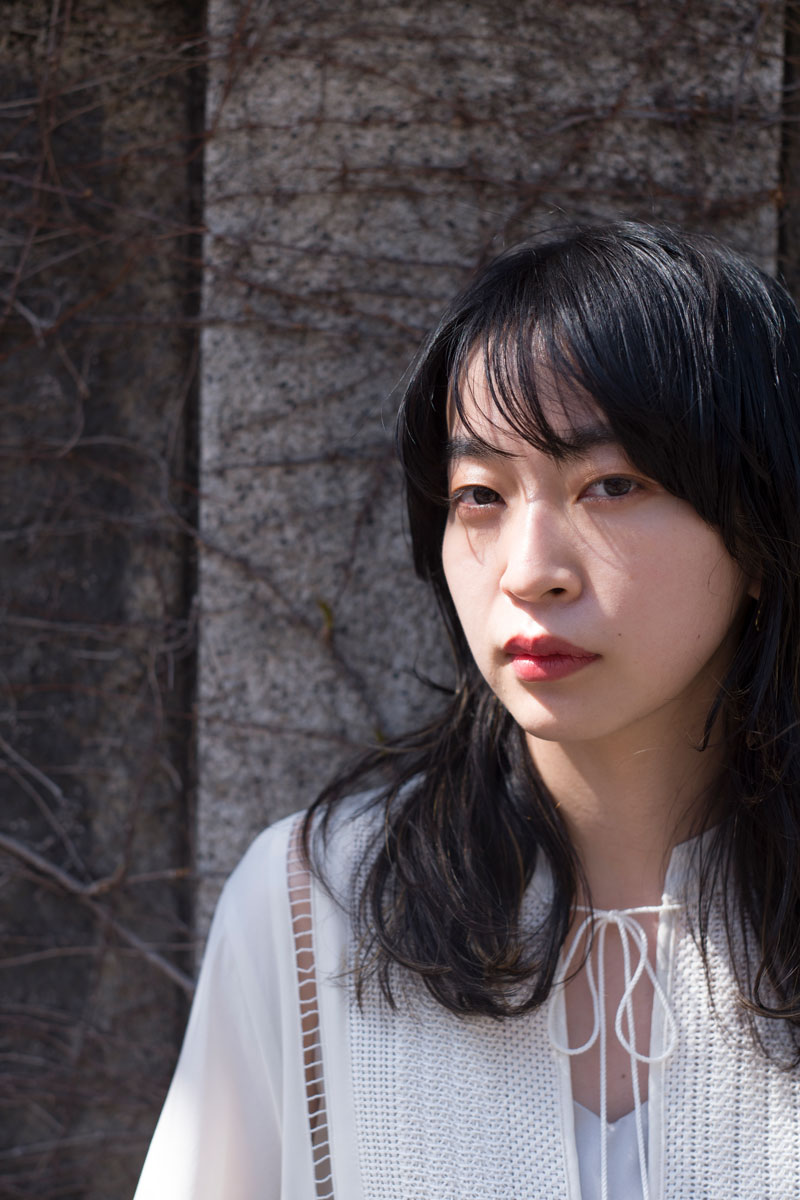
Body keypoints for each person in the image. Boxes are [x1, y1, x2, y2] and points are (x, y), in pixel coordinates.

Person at [134, 222, 800, 1200]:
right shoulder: (315, 905)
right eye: (480, 495)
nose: (528, 571)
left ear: (760, 529)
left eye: (611, 485)